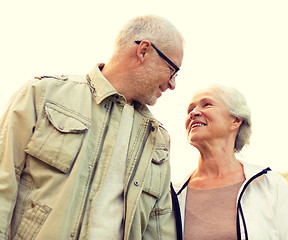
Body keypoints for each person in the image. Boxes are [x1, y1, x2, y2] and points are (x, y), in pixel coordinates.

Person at [0, 15, 184, 240]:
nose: (173, 84)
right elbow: (3, 180)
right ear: (144, 50)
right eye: (172, 70)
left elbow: (159, 227)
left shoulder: (158, 140)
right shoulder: (43, 96)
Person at [172, 86, 288, 239]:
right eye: (190, 109)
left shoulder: (270, 184)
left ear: (235, 120)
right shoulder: (172, 195)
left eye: (207, 104)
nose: (193, 113)